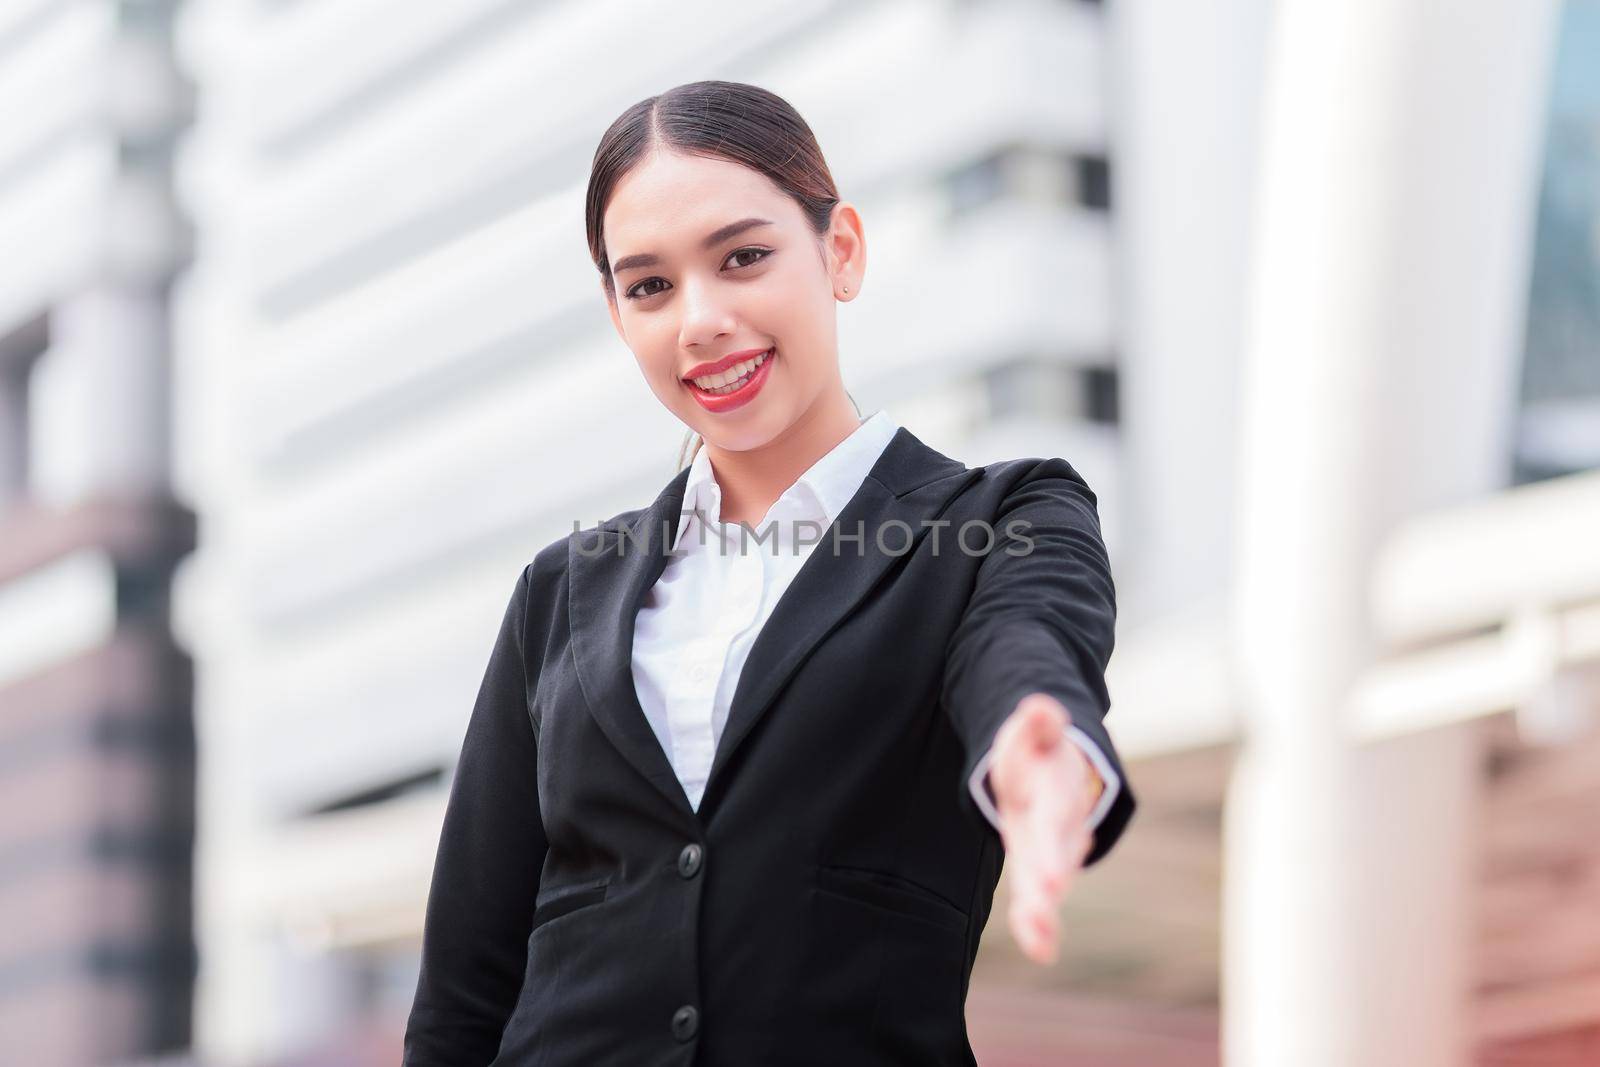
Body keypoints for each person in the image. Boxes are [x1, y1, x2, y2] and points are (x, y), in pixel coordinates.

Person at [403, 79, 1137, 1067]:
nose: (699, 320)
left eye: (743, 257)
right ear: (617, 313)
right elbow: (464, 985)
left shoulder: (995, 518)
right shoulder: (561, 591)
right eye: (650, 285)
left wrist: (1036, 747)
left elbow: (1027, 645)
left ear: (841, 252)